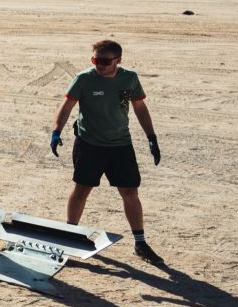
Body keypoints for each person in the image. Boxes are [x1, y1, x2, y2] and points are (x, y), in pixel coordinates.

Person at [51, 39, 164, 265]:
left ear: (117, 60)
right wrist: (56, 131)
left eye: (104, 61)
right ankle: (69, 235)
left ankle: (140, 242)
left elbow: (139, 107)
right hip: (89, 144)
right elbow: (67, 106)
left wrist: (151, 137)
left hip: (121, 145)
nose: (99, 65)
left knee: (130, 192)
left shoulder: (129, 78)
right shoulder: (83, 79)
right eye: (95, 60)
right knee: (81, 189)